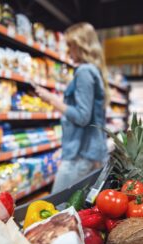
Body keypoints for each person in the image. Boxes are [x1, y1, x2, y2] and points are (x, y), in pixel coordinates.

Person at [35, 22, 109, 193]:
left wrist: (52, 99)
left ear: (81, 45)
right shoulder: (94, 70)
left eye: (70, 45)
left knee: (58, 207)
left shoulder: (84, 71)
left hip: (80, 153)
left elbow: (83, 117)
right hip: (89, 151)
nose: (68, 51)